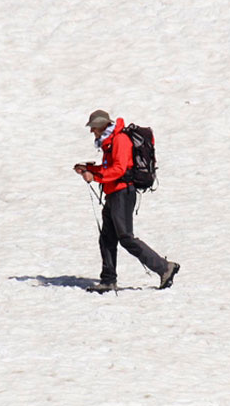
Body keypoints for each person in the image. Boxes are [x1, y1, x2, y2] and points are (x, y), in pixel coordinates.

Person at [73, 110, 180, 293]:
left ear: (103, 126)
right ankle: (108, 280)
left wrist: (95, 176)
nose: (92, 132)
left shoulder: (120, 140)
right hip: (114, 193)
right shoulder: (110, 142)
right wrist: (89, 168)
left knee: (126, 238)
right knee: (106, 238)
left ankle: (164, 267)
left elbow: (119, 170)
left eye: (94, 128)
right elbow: (110, 168)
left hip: (123, 193)